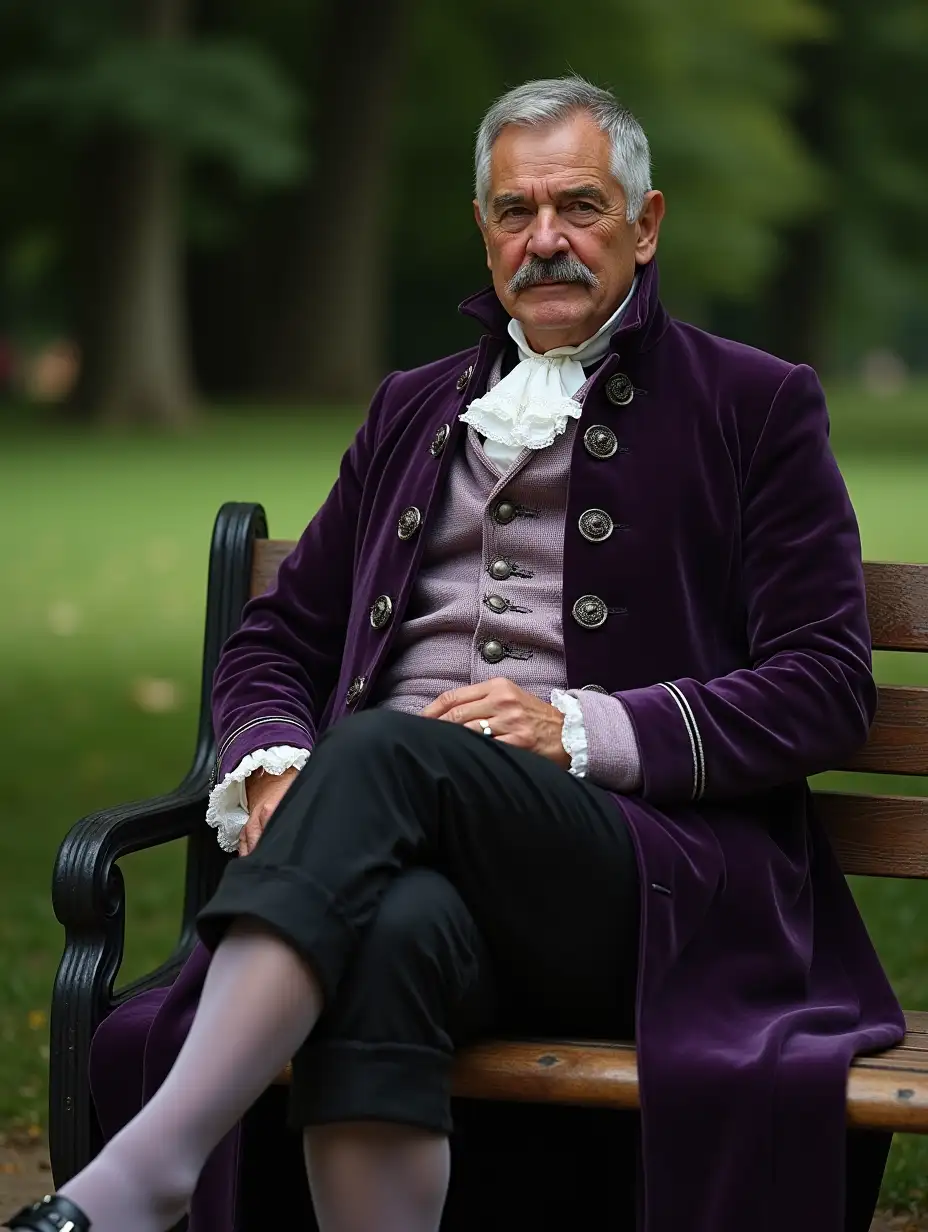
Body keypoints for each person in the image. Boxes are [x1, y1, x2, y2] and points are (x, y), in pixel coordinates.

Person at [8, 76, 905, 1232]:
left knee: (386, 749)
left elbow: (827, 680)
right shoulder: (411, 406)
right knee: (386, 937)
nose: (546, 240)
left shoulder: (756, 405)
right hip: (396, 861)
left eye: (578, 205)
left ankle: (149, 1169)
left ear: (646, 222)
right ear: (483, 235)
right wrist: (278, 759)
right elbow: (279, 633)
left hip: (640, 875)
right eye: (513, 212)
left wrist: (578, 725)